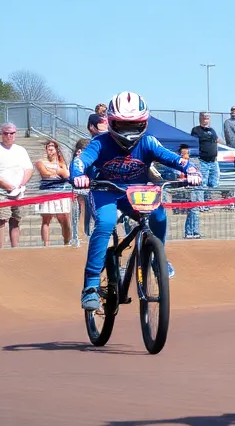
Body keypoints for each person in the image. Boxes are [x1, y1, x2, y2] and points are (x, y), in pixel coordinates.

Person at [70, 92, 201, 311]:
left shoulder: (148, 142)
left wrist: (190, 169)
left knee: (158, 214)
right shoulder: (99, 142)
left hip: (135, 192)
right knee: (105, 223)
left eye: (134, 124)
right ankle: (91, 284)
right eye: (122, 125)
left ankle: (156, 257)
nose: (128, 131)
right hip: (106, 190)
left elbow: (174, 159)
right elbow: (80, 162)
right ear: (111, 122)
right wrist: (78, 175)